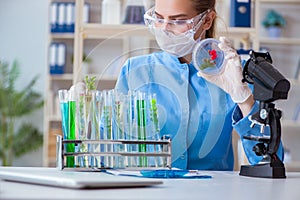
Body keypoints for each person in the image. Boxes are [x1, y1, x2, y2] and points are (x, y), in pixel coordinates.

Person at [114, 0, 283, 170]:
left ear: (207, 20)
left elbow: (269, 163)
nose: (164, 29)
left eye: (178, 21)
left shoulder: (233, 72)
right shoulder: (135, 70)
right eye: (158, 18)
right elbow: (114, 150)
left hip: (212, 192)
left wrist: (244, 99)